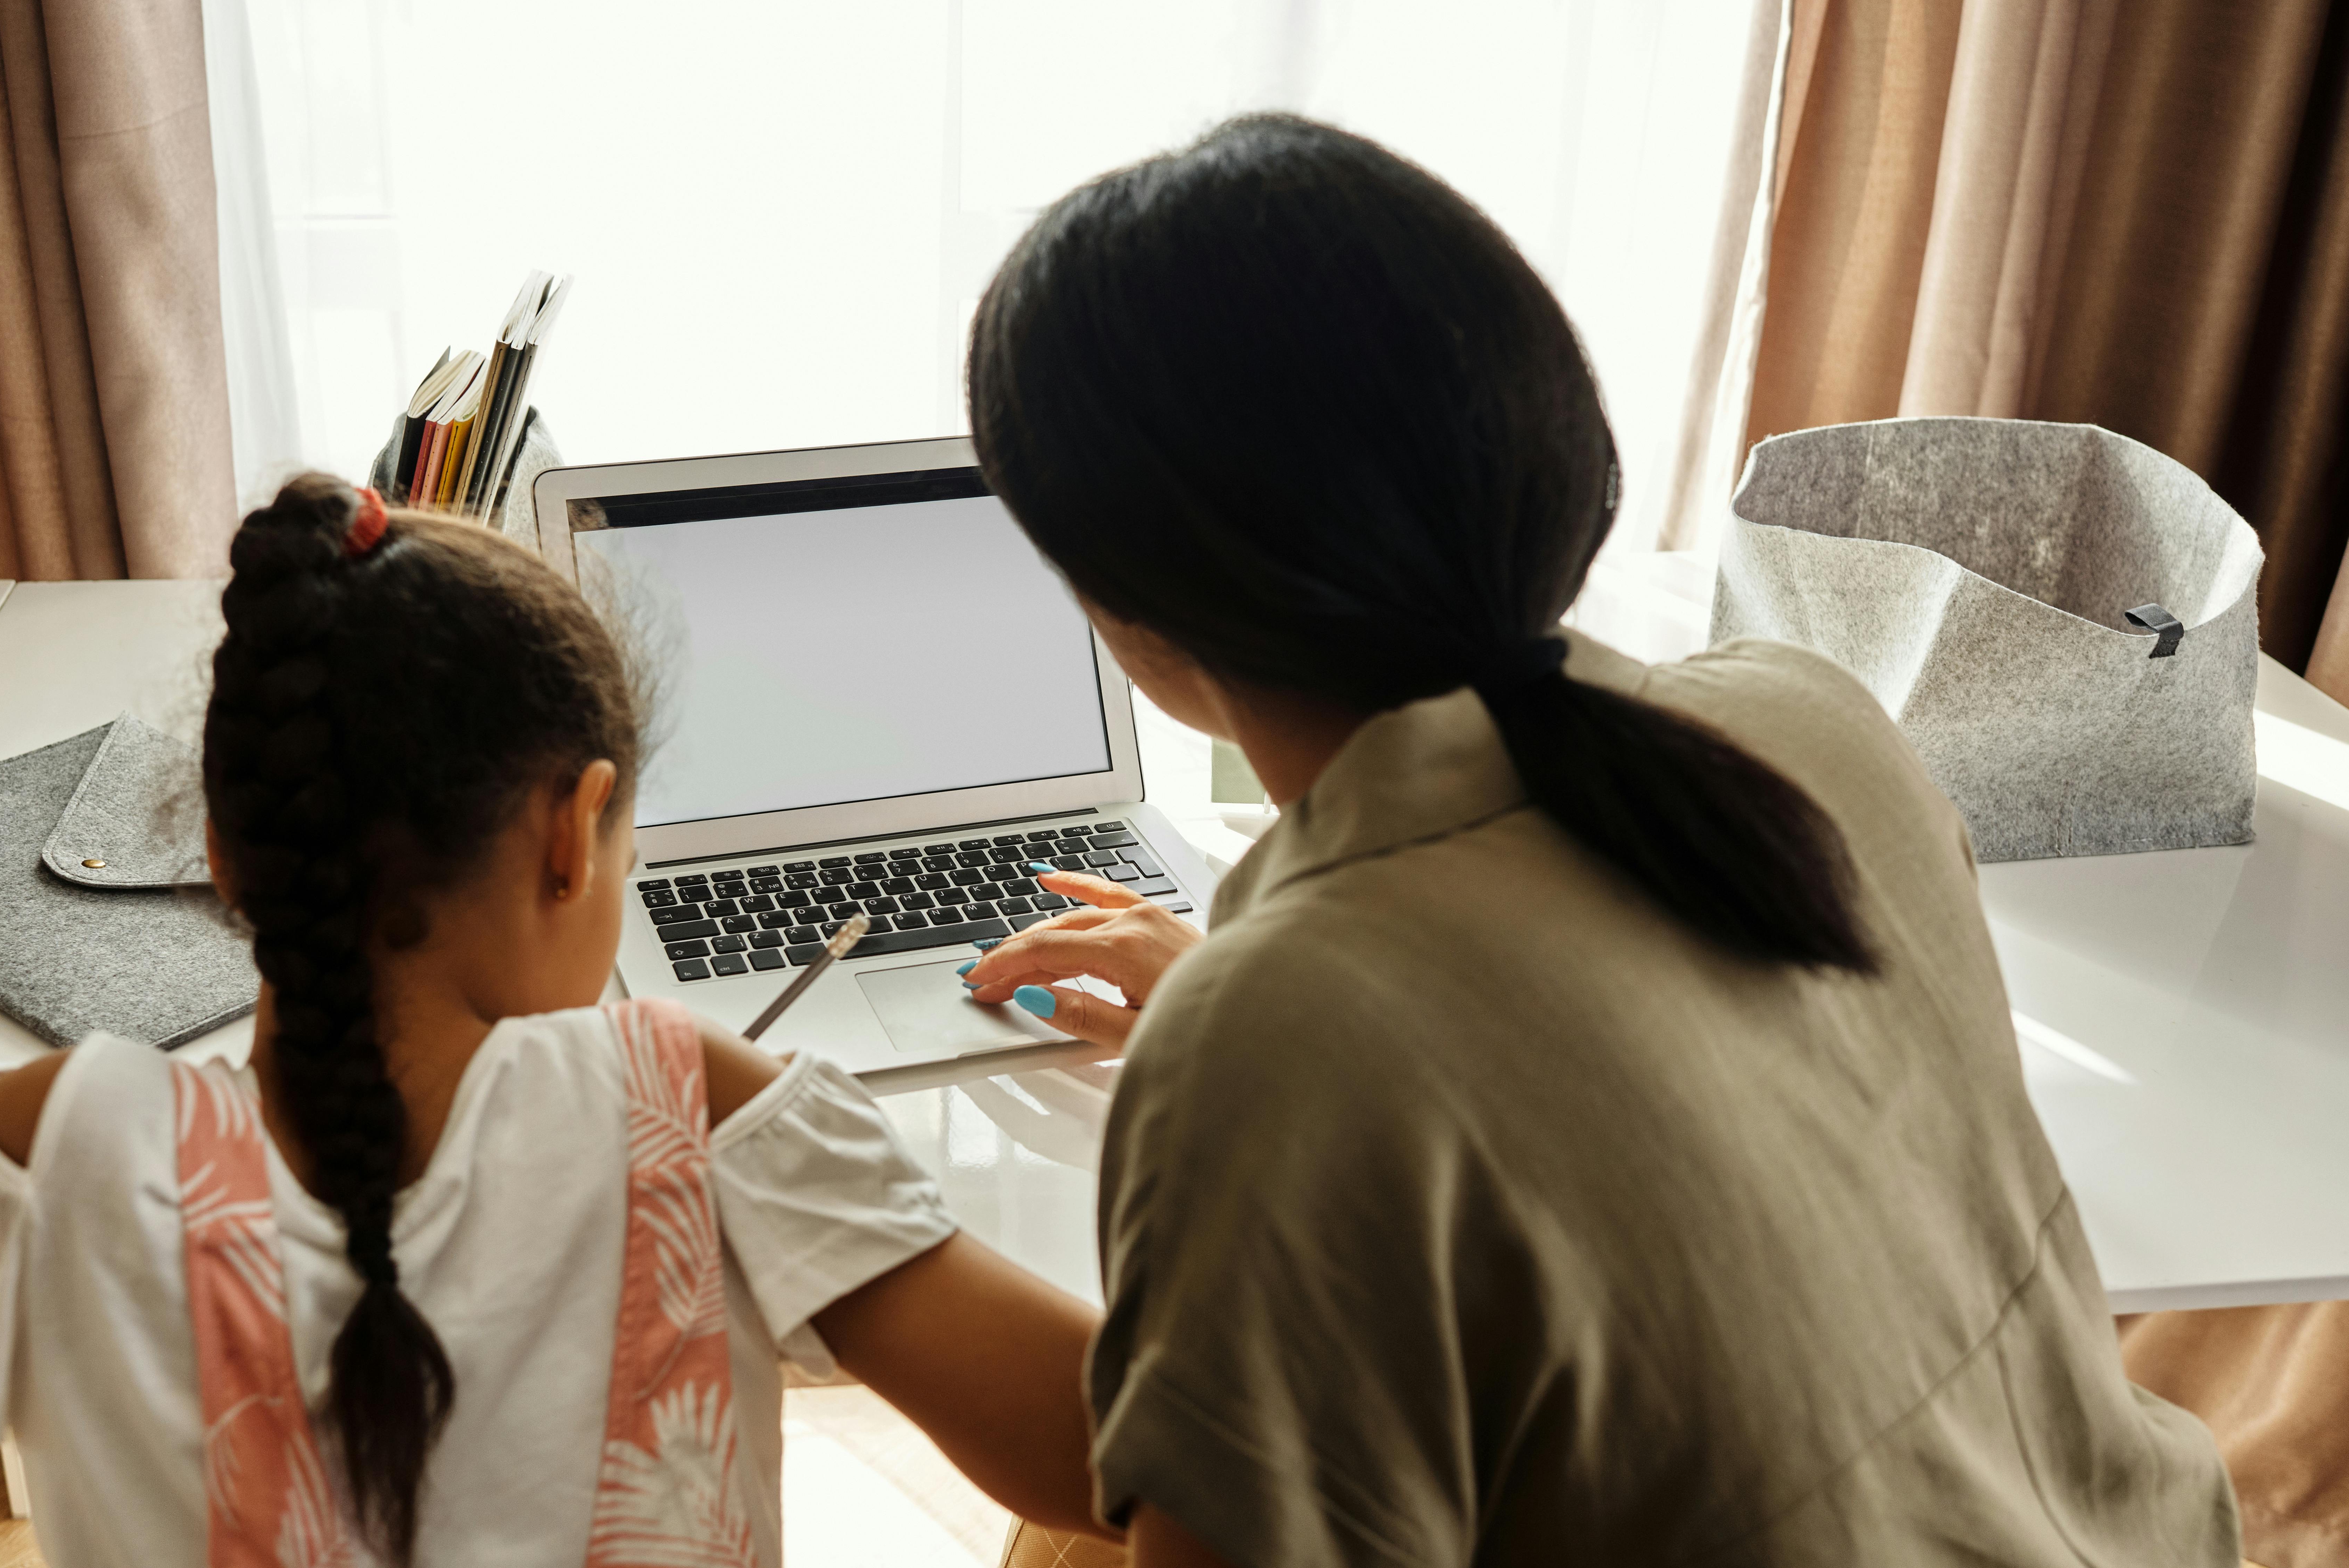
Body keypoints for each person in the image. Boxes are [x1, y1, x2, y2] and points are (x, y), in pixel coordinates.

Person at [955, 114, 2240, 1566]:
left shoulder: (1285, 1030)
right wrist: (1285, 998)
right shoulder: (1807, 724)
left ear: (1122, 608)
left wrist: (811, 1188)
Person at [0, 479, 1110, 1566]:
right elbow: (1113, 1451)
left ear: (218, 853)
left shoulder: (58, 1143)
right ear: (570, 835)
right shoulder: (691, 1109)